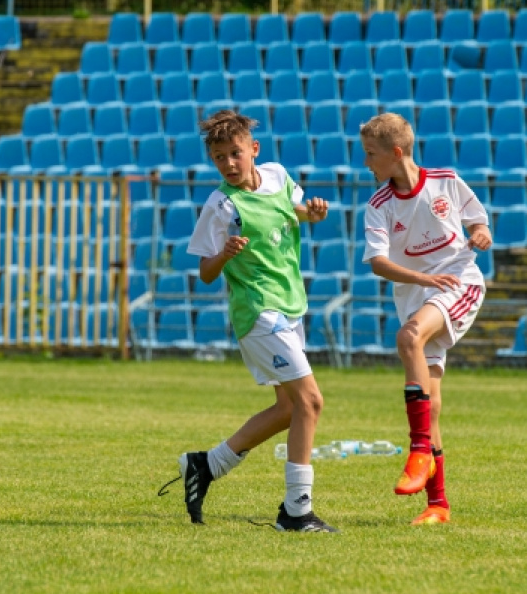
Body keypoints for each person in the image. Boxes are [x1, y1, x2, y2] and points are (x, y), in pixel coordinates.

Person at [163, 109, 339, 533]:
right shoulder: (221, 204)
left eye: (235, 153)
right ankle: (297, 511)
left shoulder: (278, 175)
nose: (228, 163)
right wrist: (223, 254)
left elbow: (294, 211)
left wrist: (312, 213)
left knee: (287, 409)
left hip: (290, 304)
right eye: (219, 157)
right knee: (310, 402)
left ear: (254, 150)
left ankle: (207, 465)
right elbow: (205, 272)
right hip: (258, 311)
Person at [358, 113, 492, 525]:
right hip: (420, 292)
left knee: (409, 335)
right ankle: (438, 505)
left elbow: (478, 219)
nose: (366, 163)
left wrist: (482, 232)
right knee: (430, 405)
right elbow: (378, 263)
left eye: (371, 155)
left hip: (458, 282)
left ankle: (418, 452)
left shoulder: (446, 181)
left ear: (396, 153)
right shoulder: (378, 205)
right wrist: (422, 278)